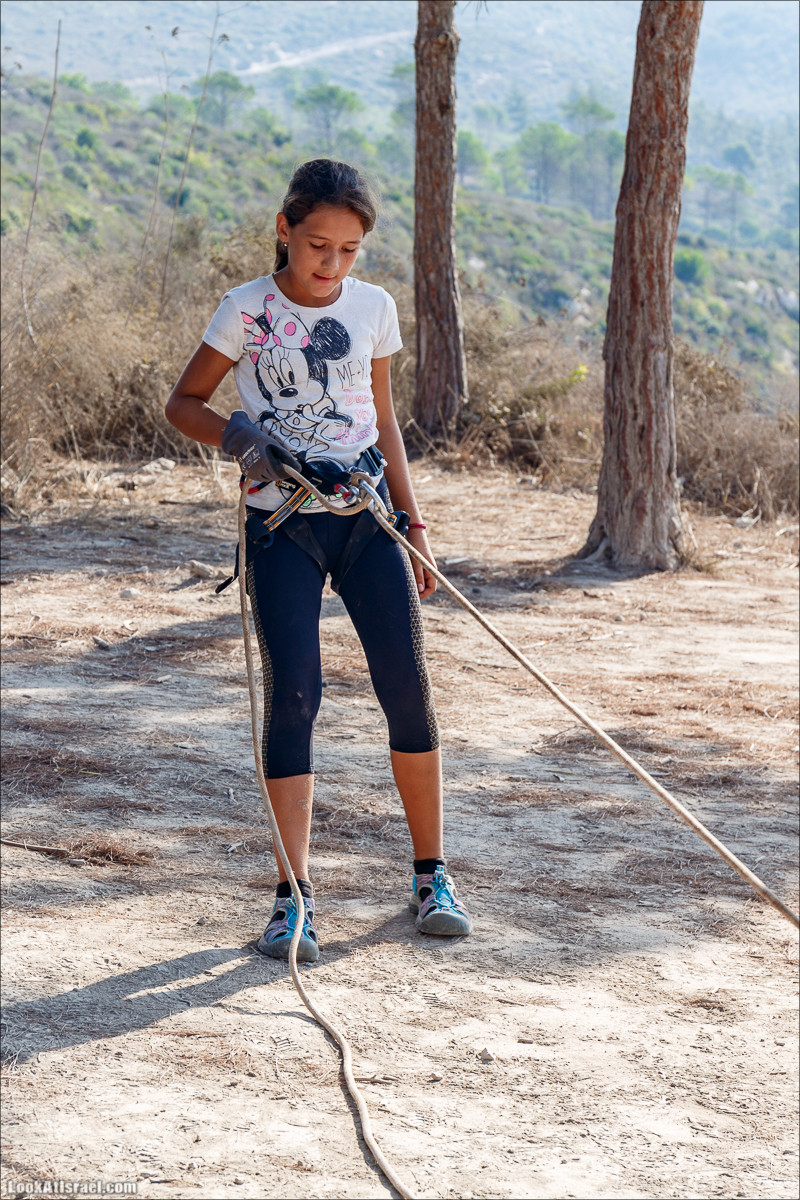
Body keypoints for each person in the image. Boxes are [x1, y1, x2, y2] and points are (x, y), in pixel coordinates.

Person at [166, 158, 471, 963]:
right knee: (295, 694)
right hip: (282, 526)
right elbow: (184, 403)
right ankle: (292, 897)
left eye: (348, 250)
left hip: (368, 519)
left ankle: (432, 878)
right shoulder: (245, 309)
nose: (331, 263)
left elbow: (384, 419)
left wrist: (414, 524)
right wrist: (243, 437)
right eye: (316, 246)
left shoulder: (373, 308)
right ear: (284, 229)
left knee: (407, 687)